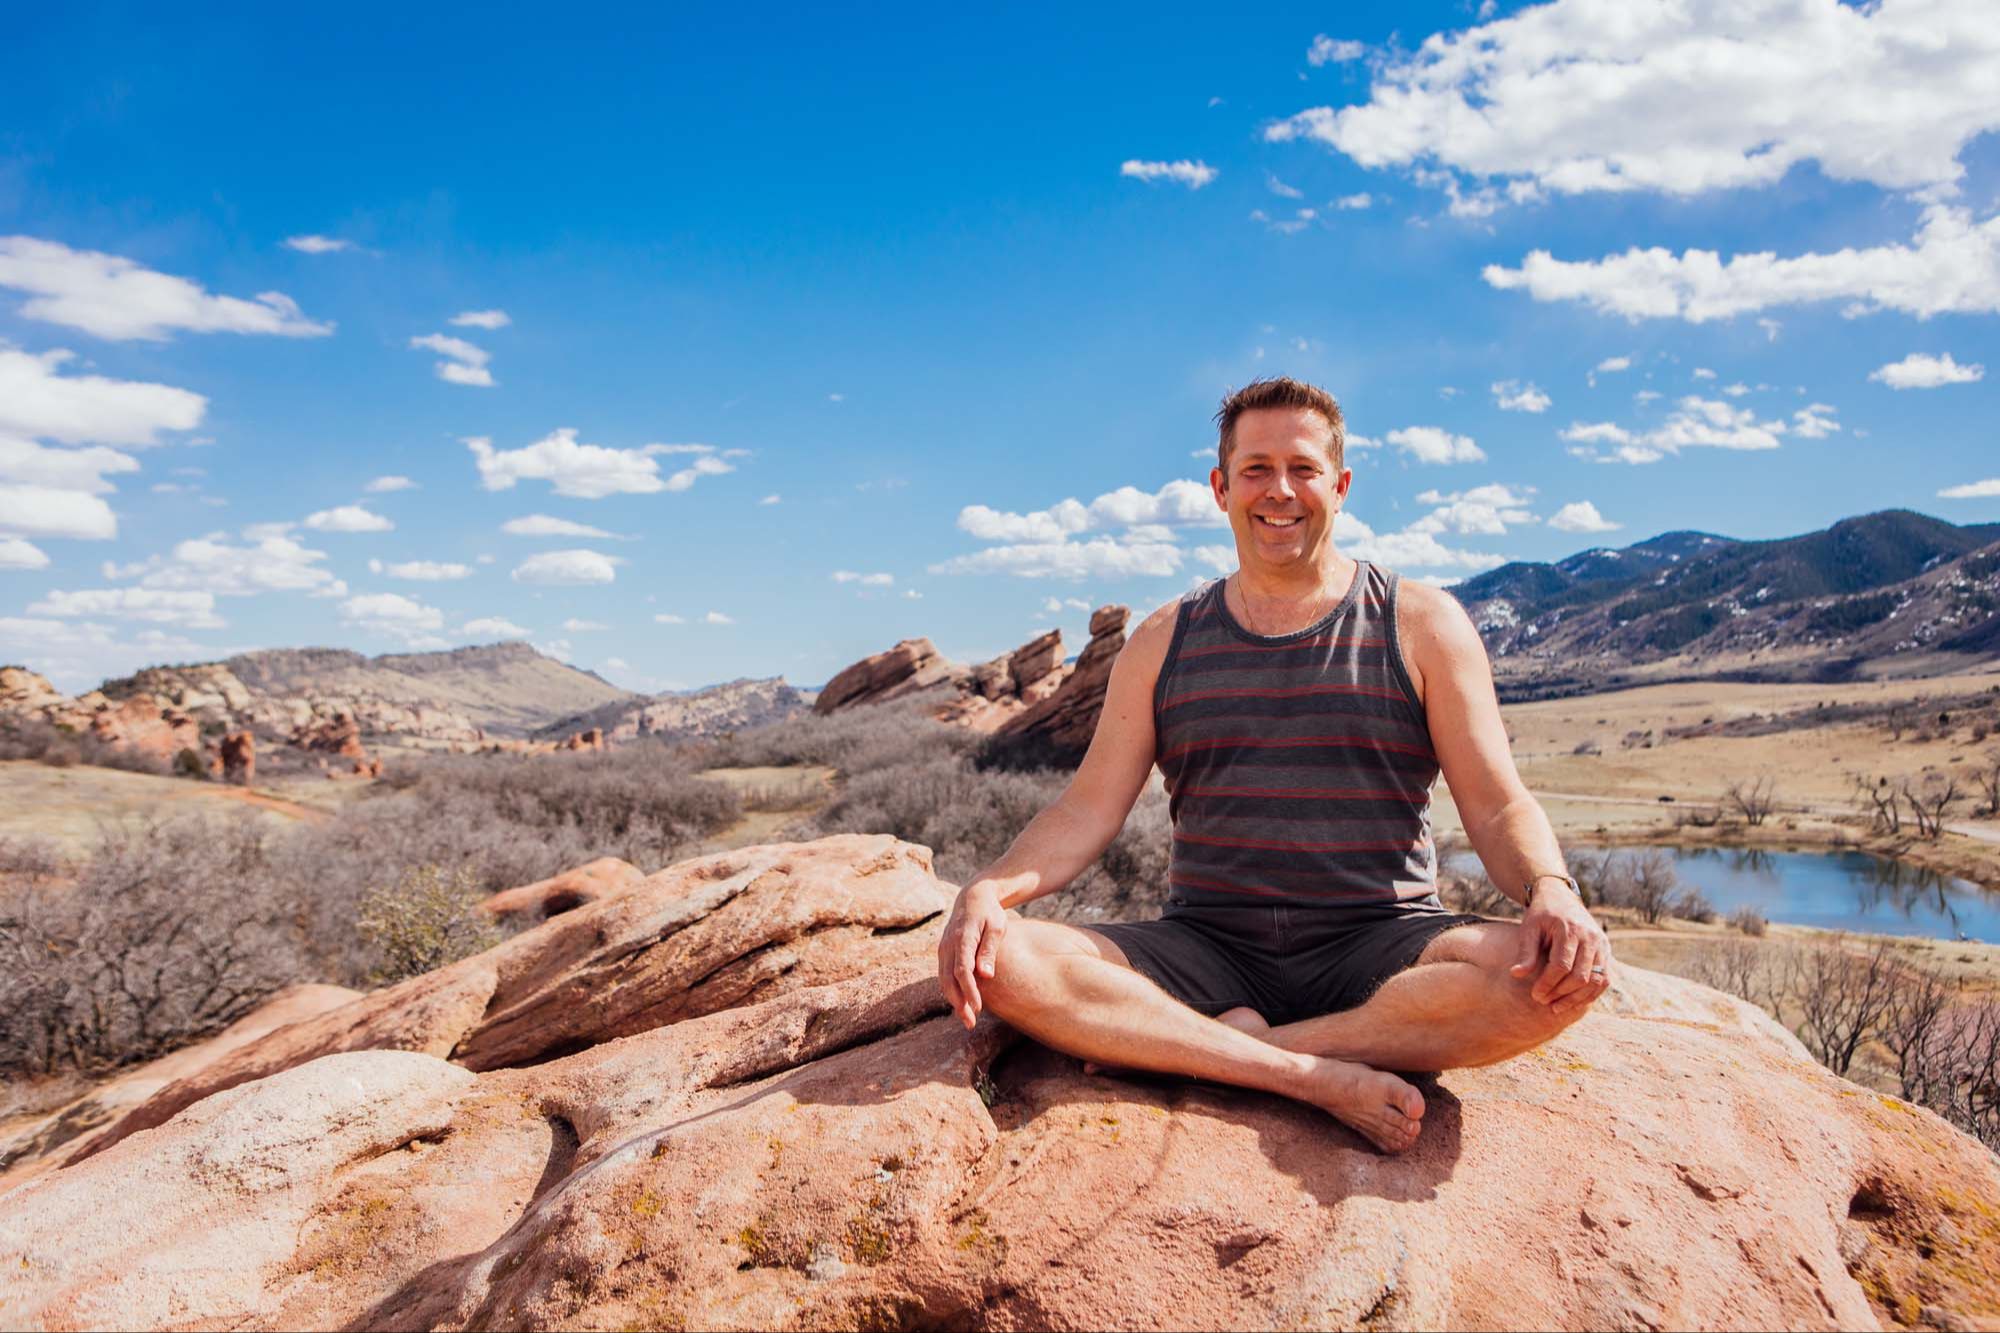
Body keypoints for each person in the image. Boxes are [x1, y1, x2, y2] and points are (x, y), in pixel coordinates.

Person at [936, 377, 1611, 1153]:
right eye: (1256, 469)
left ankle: (1217, 1049)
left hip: (1381, 941)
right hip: (1208, 945)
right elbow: (1086, 809)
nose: (1279, 490)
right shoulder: (1164, 640)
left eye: (1303, 468)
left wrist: (1552, 889)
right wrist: (990, 888)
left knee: (1547, 979)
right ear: (1221, 488)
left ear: (1341, 486)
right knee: (1003, 958)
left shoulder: (1422, 624)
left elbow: (1496, 804)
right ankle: (1307, 1076)